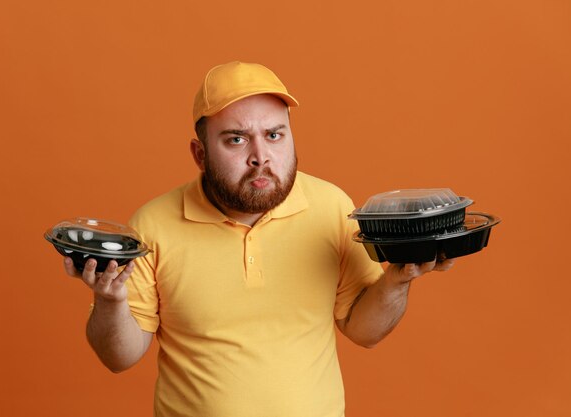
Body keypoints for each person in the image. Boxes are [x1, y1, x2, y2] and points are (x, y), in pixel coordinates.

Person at [64, 61, 455, 417]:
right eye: (236, 139)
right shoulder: (153, 225)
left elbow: (364, 331)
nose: (261, 156)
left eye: (274, 135)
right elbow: (120, 358)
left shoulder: (332, 207)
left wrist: (396, 280)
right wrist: (110, 300)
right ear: (200, 154)